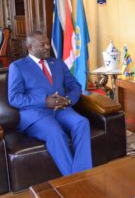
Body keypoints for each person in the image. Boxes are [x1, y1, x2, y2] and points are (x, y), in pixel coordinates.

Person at [8, 31, 92, 176]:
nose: (47, 47)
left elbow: (75, 86)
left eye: (47, 43)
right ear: (30, 46)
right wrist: (44, 101)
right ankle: (73, 181)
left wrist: (69, 100)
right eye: (42, 45)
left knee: (82, 123)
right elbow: (14, 98)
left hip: (61, 109)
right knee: (56, 133)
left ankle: (82, 177)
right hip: (35, 115)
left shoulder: (57, 63)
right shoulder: (18, 67)